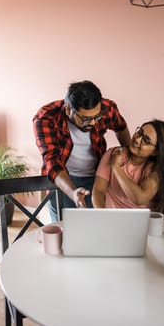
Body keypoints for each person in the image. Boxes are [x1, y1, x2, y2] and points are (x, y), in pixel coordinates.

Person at [33, 80, 131, 221]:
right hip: (64, 179)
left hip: (96, 177)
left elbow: (120, 128)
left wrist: (129, 158)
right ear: (68, 110)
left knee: (94, 225)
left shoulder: (106, 109)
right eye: (85, 119)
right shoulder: (46, 118)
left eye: (95, 117)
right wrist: (72, 192)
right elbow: (52, 162)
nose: (92, 123)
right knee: (64, 228)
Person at [92, 119, 164, 214]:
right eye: (140, 132)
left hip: (139, 223)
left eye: (146, 140)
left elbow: (139, 198)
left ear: (156, 151)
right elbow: (98, 191)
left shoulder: (156, 172)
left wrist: (116, 167)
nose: (137, 139)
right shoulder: (113, 153)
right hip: (109, 218)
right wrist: (103, 215)